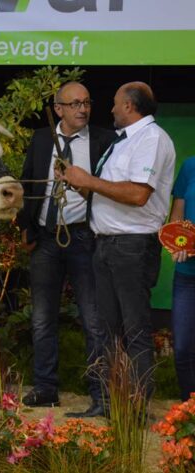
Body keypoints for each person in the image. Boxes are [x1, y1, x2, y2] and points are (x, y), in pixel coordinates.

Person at [63, 81, 176, 402]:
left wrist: (89, 180)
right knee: (110, 334)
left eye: (114, 103)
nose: (110, 109)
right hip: (106, 245)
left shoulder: (151, 139)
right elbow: (107, 191)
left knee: (135, 333)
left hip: (132, 247)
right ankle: (113, 406)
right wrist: (76, 183)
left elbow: (139, 194)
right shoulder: (124, 142)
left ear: (129, 106)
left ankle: (136, 411)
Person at [17, 82, 116, 417]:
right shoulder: (42, 138)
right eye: (74, 104)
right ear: (58, 108)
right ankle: (46, 389)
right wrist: (26, 228)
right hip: (46, 238)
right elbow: (27, 182)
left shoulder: (104, 140)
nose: (83, 110)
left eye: (87, 102)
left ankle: (101, 396)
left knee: (93, 319)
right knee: (43, 319)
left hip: (86, 239)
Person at [166, 156, 195, 401]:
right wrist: (177, 243)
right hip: (187, 276)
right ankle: (189, 411)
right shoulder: (190, 166)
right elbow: (177, 217)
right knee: (183, 348)